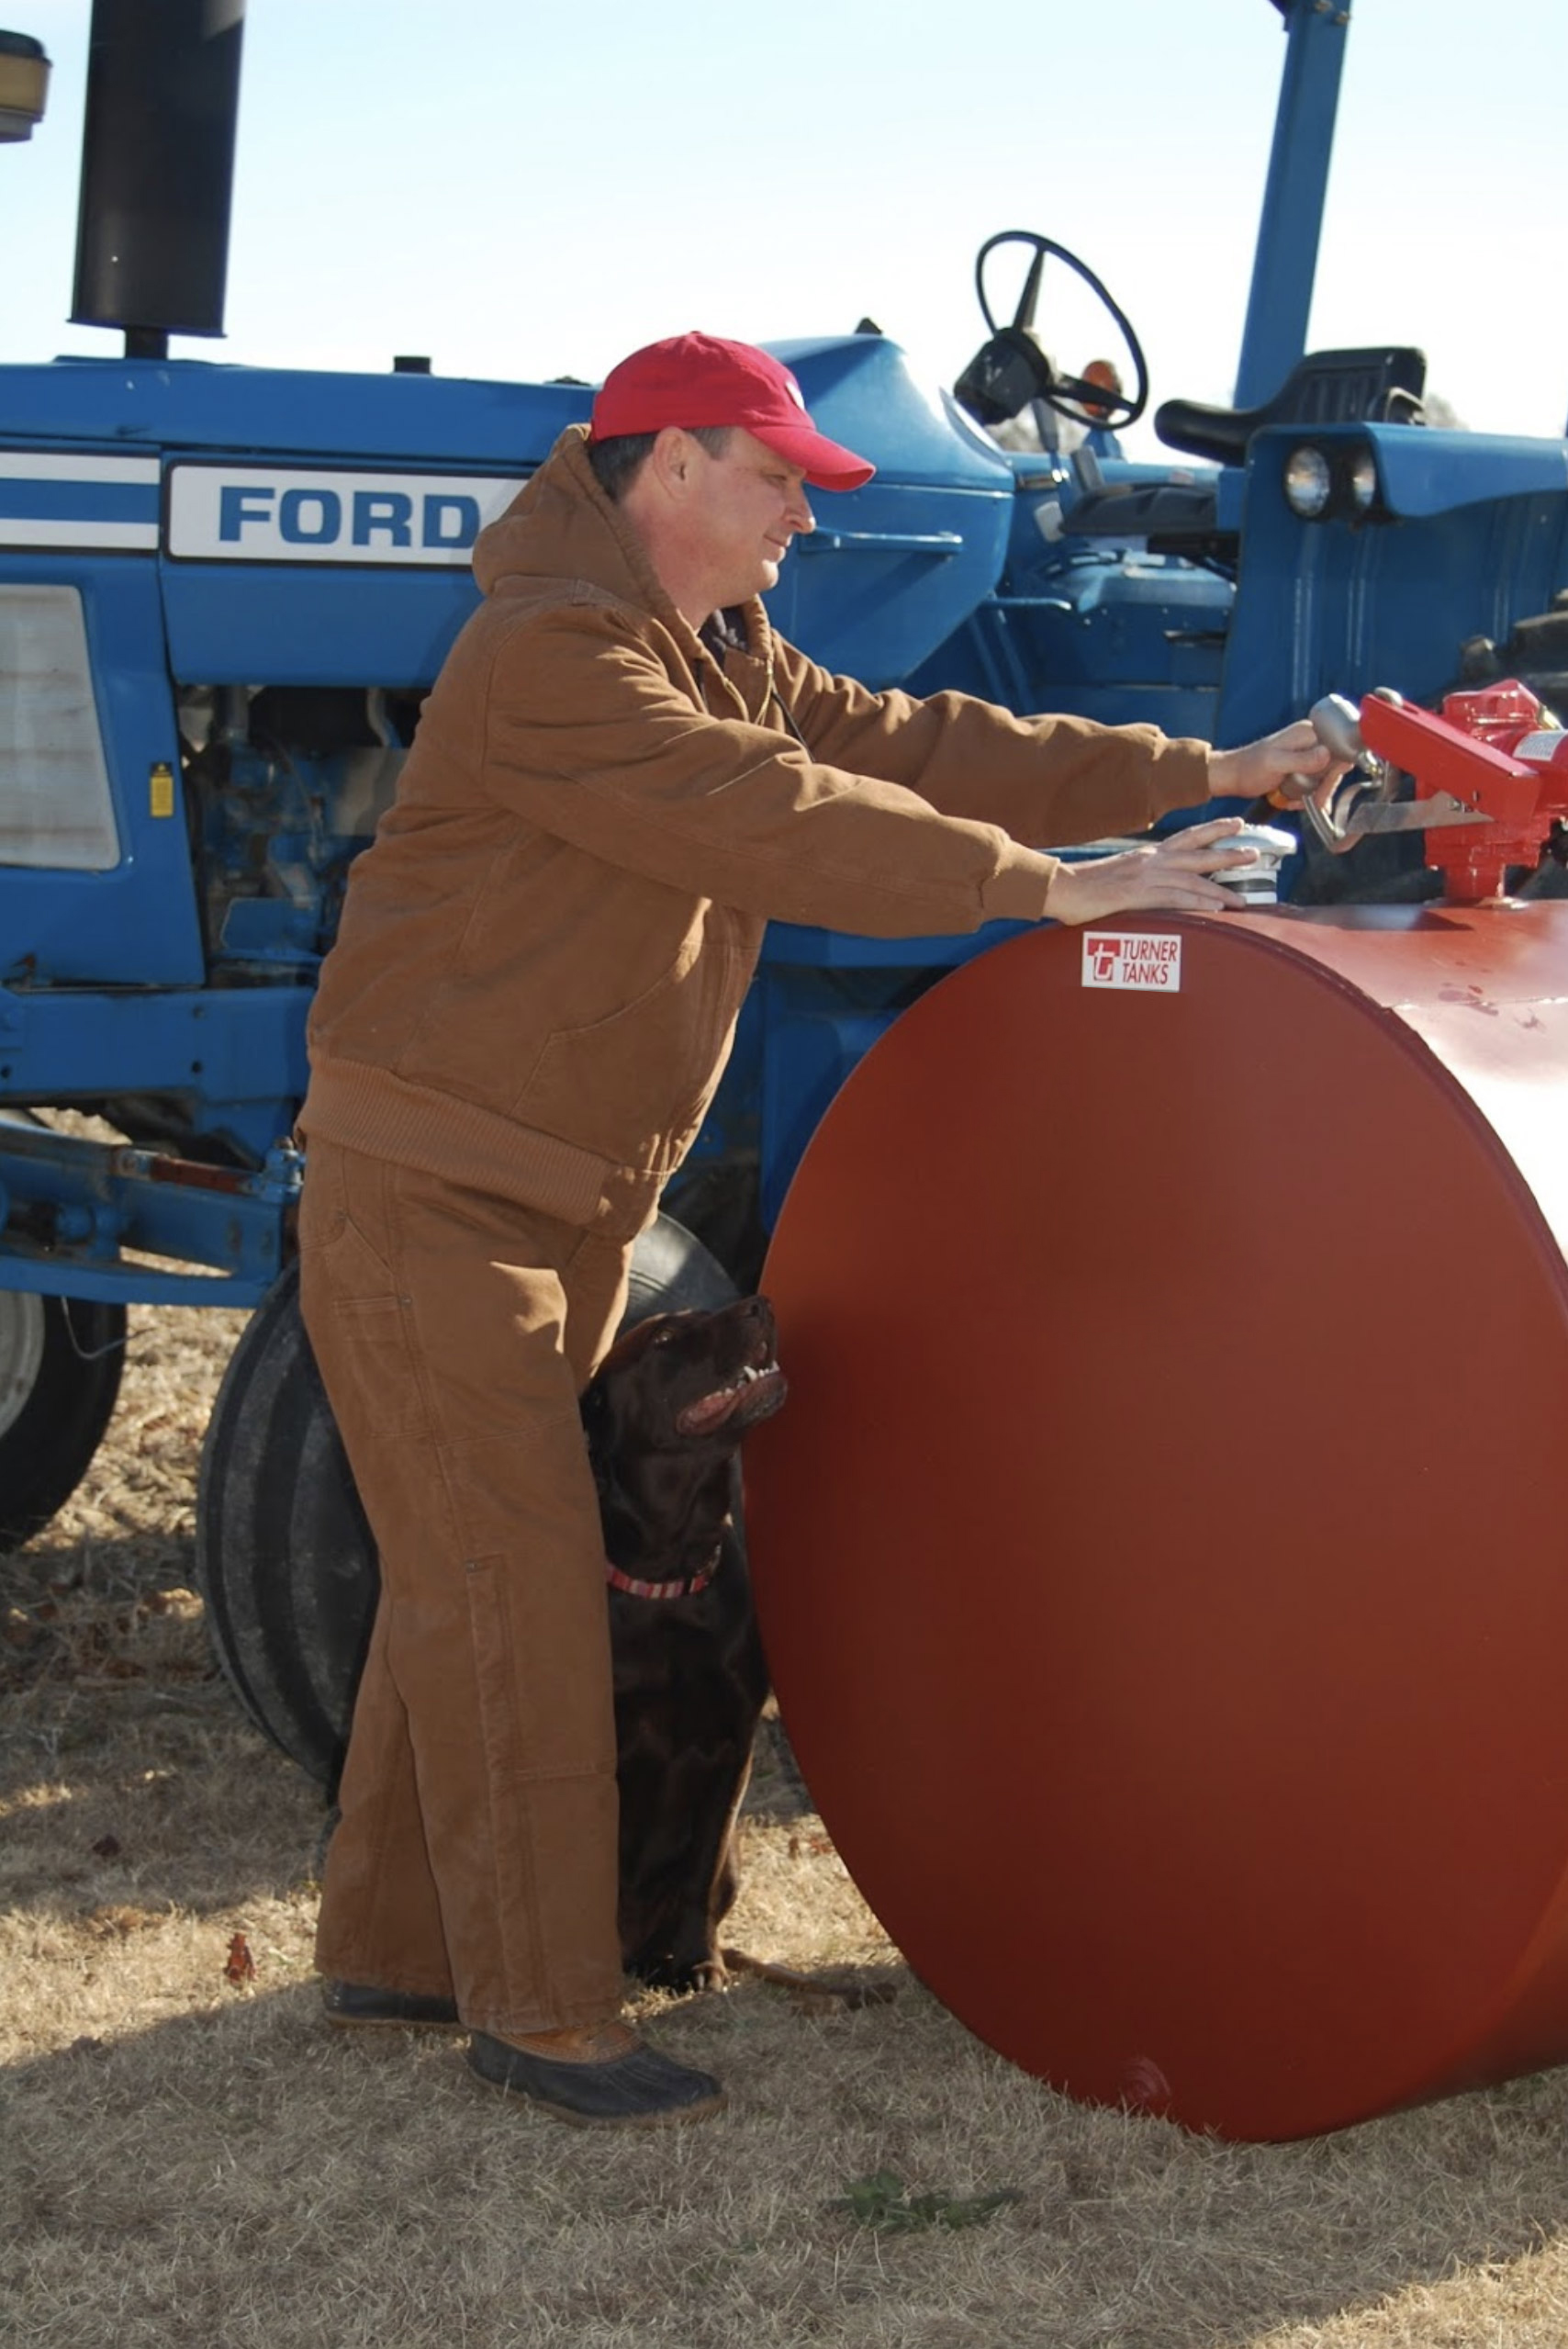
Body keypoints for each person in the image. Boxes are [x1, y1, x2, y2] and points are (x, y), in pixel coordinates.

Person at [294, 331, 1340, 2130]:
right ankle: (547, 2014)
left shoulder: (718, 650)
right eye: (779, 479)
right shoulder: (551, 657)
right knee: (511, 1579)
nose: (804, 515)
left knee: (460, 1565)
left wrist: (1205, 768)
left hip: (555, 1196)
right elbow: (770, 819)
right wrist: (1061, 893)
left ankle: (394, 1950)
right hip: (434, 1194)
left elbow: (923, 744)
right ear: (672, 470)